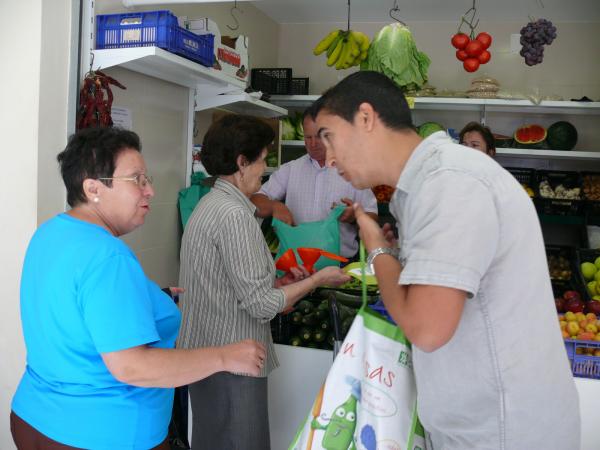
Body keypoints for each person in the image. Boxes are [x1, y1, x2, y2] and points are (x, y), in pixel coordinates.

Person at [312, 71, 580, 450]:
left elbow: (427, 328)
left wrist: (378, 248)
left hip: (500, 432)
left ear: (366, 118)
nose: (328, 157)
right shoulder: (428, 184)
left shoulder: (448, 182)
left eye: (328, 136)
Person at [10, 127, 266, 450]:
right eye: (137, 180)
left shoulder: (50, 233)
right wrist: (225, 357)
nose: (150, 191)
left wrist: (151, 297)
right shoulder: (108, 256)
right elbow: (132, 366)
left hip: (34, 418)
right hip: (101, 433)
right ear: (93, 189)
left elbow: (75, 311)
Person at [178, 114, 350, 450]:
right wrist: (317, 279)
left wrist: (278, 280)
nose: (265, 169)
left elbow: (233, 284)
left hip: (205, 357)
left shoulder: (211, 203)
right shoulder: (236, 215)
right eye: (262, 160)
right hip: (234, 363)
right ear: (242, 163)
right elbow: (261, 306)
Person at [251, 106, 378, 259]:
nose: (312, 144)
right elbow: (255, 202)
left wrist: (355, 216)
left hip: (340, 264)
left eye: (319, 137)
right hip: (296, 266)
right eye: (308, 137)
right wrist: (274, 206)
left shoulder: (354, 171)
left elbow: (373, 217)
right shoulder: (290, 169)